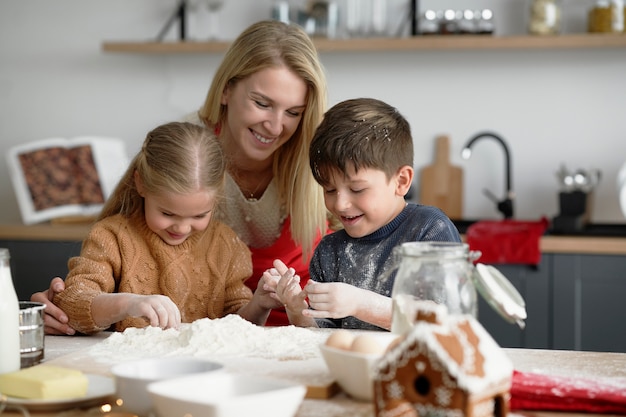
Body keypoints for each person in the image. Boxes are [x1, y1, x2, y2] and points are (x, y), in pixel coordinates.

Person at [32, 20, 330, 333]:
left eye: (294, 112)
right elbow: (104, 265)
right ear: (226, 89)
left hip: (297, 328)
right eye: (261, 103)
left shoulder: (315, 156)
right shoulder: (185, 151)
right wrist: (61, 304)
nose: (275, 126)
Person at [51, 121, 278, 334]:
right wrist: (128, 303)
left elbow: (236, 328)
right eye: (168, 213)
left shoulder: (226, 244)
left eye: (199, 215)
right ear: (141, 184)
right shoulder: (111, 237)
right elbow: (73, 304)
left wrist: (258, 305)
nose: (182, 227)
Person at [266, 98, 462, 331]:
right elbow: (323, 338)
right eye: (329, 189)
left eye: (357, 189)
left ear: (401, 181)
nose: (340, 203)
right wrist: (297, 310)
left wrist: (361, 304)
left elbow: (447, 322)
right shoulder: (330, 251)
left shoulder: (430, 230)